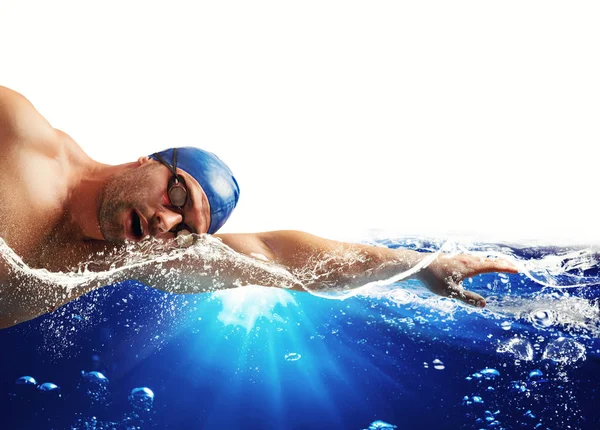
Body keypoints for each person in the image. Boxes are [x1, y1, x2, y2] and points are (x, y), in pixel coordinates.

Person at [0, 86, 517, 329]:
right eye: (176, 194)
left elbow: (277, 256)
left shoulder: (135, 256)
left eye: (185, 229)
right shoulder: (21, 137)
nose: (166, 220)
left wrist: (423, 268)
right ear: (148, 161)